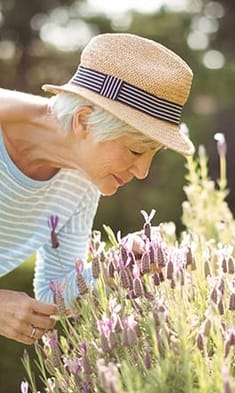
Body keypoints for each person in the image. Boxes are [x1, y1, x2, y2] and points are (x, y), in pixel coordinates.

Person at [0, 33, 194, 344]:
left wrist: (116, 265)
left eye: (152, 155)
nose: (142, 172)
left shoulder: (82, 179)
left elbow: (53, 295)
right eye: (134, 151)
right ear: (84, 121)